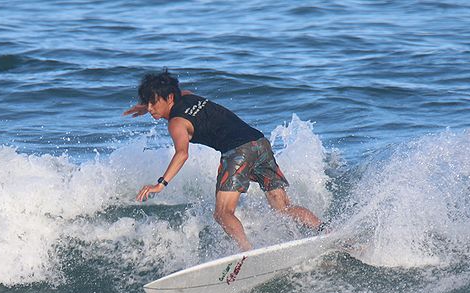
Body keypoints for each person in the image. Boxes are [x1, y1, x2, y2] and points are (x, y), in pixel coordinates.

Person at [124, 69, 323, 251]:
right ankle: (324, 230)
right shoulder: (187, 96)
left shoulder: (176, 123)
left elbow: (182, 154)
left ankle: (246, 252)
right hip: (259, 143)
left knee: (222, 213)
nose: (150, 108)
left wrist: (160, 184)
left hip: (238, 151)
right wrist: (146, 107)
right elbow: (180, 92)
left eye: (153, 102)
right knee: (283, 208)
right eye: (147, 103)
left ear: (169, 98)